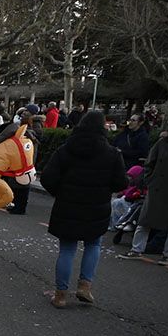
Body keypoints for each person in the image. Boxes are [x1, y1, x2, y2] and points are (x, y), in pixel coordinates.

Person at [40, 110, 128, 308]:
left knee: (67, 248)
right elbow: (120, 182)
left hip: (68, 205)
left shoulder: (66, 149)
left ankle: (61, 294)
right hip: (97, 206)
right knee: (93, 244)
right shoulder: (112, 153)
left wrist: (60, 192)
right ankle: (85, 286)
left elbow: (47, 177)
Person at [118, 112, 168, 266]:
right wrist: (150, 180)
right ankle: (136, 250)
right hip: (159, 187)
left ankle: (167, 255)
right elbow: (149, 162)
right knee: (146, 219)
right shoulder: (163, 143)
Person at [109, 165, 146, 230]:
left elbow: (128, 196)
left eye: (130, 176)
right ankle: (115, 224)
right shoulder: (130, 184)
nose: (128, 178)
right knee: (115, 202)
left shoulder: (139, 186)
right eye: (128, 176)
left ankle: (119, 223)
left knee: (117, 202)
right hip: (129, 203)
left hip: (132, 205)